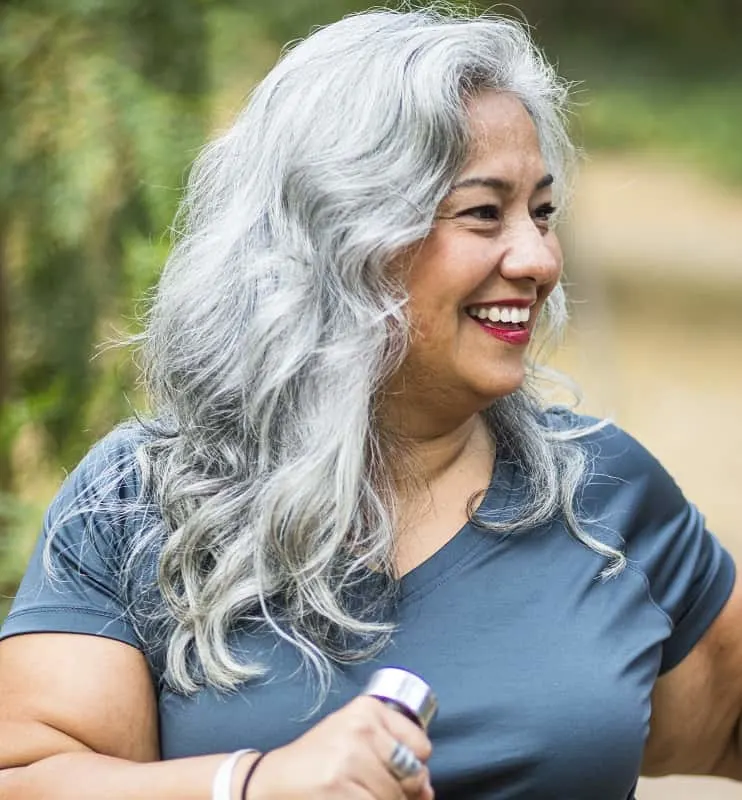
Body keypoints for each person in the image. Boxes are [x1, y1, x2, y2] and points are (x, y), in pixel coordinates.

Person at [0, 6, 740, 800]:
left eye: (542, 212)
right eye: (484, 212)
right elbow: (30, 775)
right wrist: (253, 785)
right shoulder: (141, 501)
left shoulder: (603, 490)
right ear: (340, 236)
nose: (538, 257)